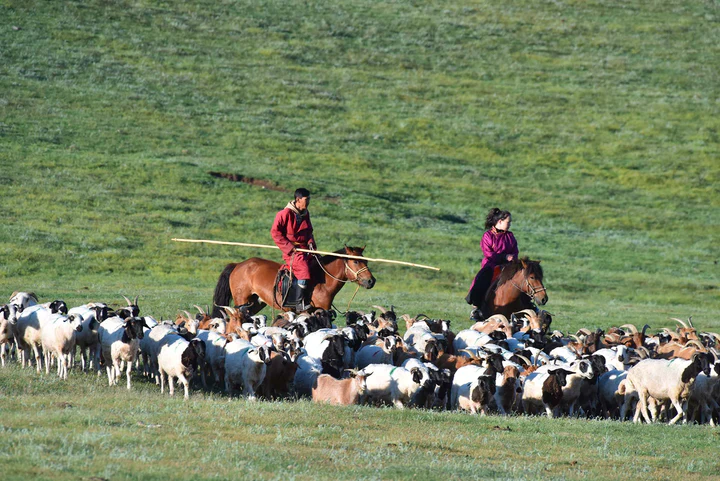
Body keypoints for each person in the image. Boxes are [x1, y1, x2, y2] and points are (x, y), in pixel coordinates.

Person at [466, 208, 519, 319]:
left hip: (508, 266)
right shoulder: (487, 236)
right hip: (491, 265)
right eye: (508, 222)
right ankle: (476, 308)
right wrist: (504, 257)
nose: (509, 225)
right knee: (481, 281)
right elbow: (489, 254)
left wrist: (513, 258)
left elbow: (515, 250)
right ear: (500, 221)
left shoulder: (510, 236)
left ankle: (529, 305)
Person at [271, 188, 316, 311]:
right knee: (303, 268)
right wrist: (290, 248)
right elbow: (275, 233)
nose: (309, 202)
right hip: (292, 251)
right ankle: (299, 302)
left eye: (309, 199)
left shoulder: (306, 213)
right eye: (306, 199)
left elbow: (309, 232)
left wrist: (311, 242)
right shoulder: (284, 214)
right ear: (298, 200)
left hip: (306, 249)